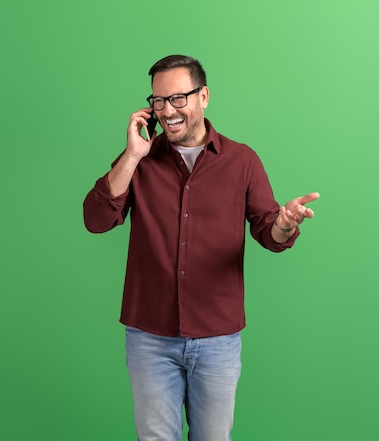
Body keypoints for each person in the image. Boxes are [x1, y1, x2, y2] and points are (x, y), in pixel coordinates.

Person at [83, 54, 319, 441]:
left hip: (217, 339)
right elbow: (96, 219)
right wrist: (131, 156)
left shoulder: (242, 161)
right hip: (149, 337)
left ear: (203, 96)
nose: (167, 111)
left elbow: (268, 234)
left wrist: (282, 224)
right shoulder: (139, 160)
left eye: (178, 98)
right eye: (158, 101)